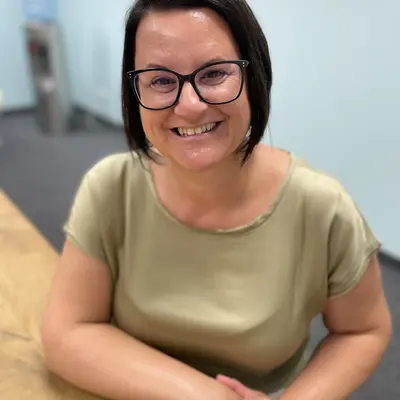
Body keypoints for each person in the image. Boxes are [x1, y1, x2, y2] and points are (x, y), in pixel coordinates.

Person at [41, 1, 392, 399]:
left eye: (213, 74)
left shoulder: (321, 207)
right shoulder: (111, 188)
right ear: (134, 90)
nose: (189, 105)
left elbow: (362, 330)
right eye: (161, 80)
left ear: (253, 73)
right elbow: (68, 330)